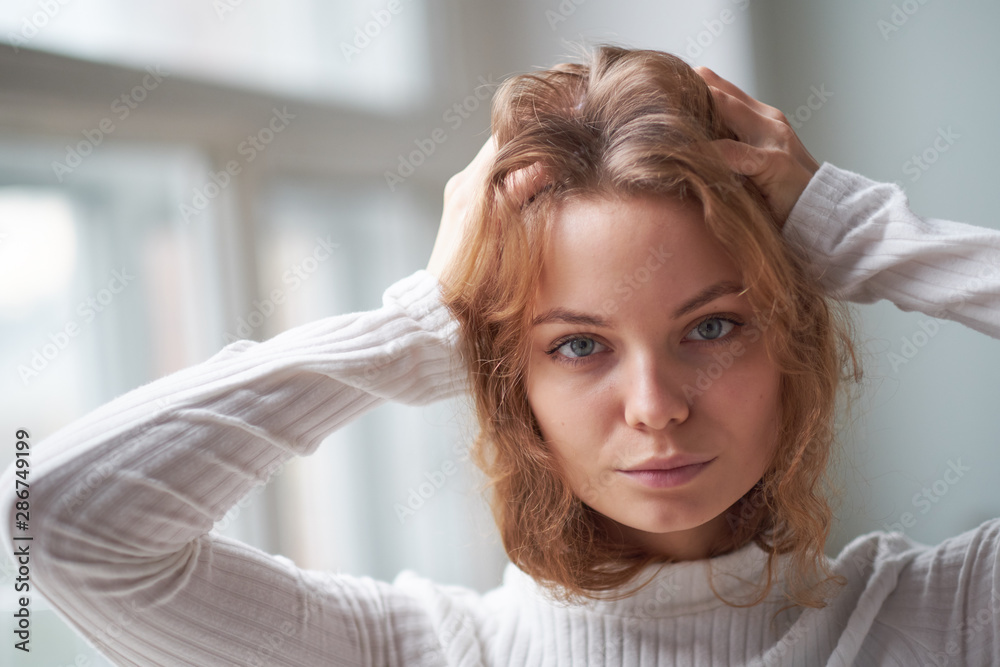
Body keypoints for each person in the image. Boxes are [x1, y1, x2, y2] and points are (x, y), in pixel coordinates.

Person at [2, 45, 999, 666]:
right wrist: (425, 323)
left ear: (790, 340)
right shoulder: (404, 652)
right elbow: (53, 522)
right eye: (576, 344)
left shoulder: (950, 618)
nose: (654, 406)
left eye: (711, 326)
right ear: (507, 376)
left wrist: (857, 230)